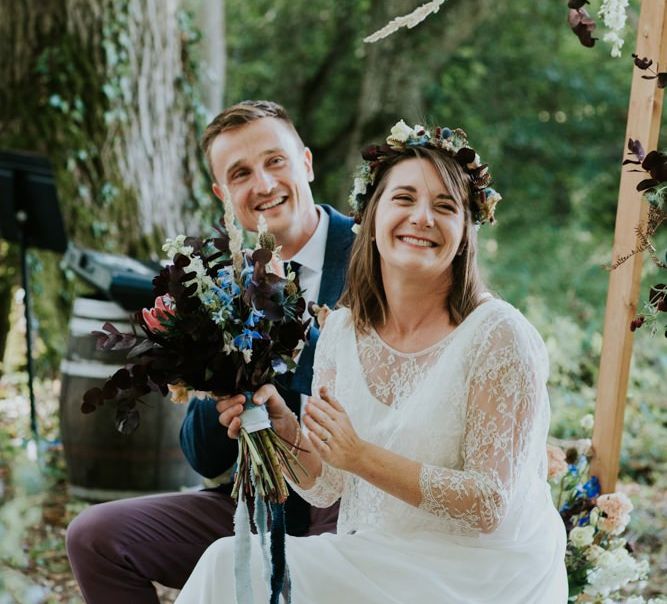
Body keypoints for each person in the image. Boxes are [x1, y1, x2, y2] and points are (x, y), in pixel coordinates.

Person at [175, 121, 568, 603]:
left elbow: (490, 505)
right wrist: (285, 433)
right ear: (371, 215)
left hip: (481, 573)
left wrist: (362, 456)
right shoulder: (342, 332)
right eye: (404, 199)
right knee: (227, 562)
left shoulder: (499, 336)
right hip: (380, 555)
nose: (422, 217)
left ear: (466, 232)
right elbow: (326, 484)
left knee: (237, 569)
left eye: (445, 206)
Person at [66, 100, 356, 604]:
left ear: (305, 163)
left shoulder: (374, 252)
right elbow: (203, 457)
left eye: (275, 161)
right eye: (241, 173)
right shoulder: (218, 284)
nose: (263, 185)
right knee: (95, 536)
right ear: (224, 195)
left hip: (355, 501)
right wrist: (218, 383)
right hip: (258, 506)